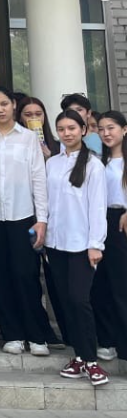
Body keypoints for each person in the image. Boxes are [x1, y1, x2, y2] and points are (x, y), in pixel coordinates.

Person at [0, 86, 51, 357]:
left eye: (4, 104)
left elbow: (38, 179)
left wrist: (41, 219)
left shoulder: (29, 139)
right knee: (1, 277)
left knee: (26, 275)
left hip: (24, 216)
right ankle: (13, 335)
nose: (0, 109)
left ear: (13, 106)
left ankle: (36, 335)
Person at [45, 110, 108, 387]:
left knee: (79, 300)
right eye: (61, 129)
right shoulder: (52, 163)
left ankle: (92, 361)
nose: (66, 133)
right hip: (56, 244)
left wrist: (96, 244)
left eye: (71, 128)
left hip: (83, 245)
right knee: (66, 301)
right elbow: (46, 201)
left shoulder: (94, 165)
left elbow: (97, 207)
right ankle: (79, 357)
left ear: (83, 130)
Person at [93, 110, 127, 363]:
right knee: (101, 284)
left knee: (121, 285)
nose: (106, 133)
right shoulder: (97, 161)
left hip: (122, 222)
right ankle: (108, 340)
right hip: (100, 222)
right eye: (101, 129)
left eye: (111, 128)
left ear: (124, 129)